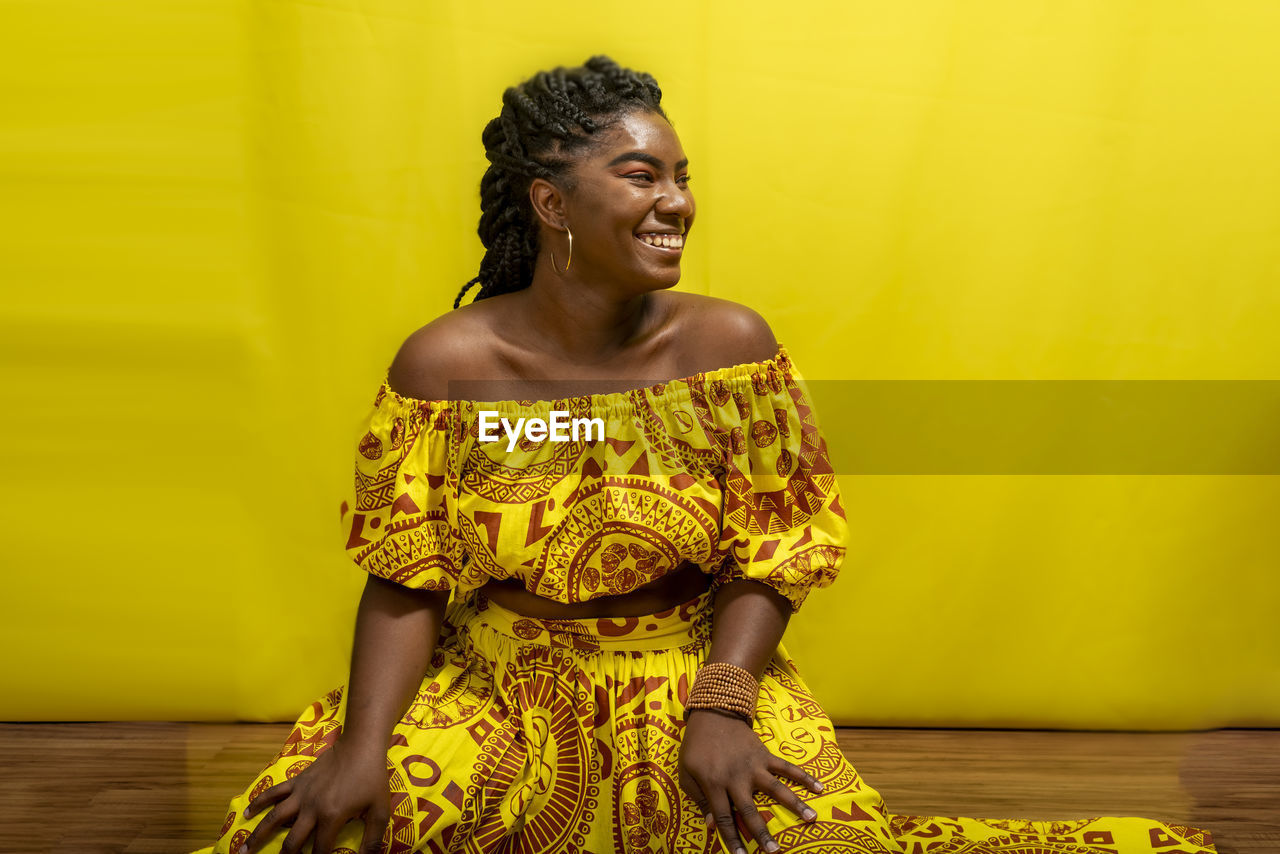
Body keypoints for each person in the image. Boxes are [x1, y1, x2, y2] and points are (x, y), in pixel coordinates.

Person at [195, 56, 1217, 854]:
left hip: (694, 675)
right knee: (315, 828)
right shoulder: (446, 363)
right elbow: (404, 576)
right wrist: (361, 747)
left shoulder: (727, 348)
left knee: (815, 837)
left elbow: (776, 548)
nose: (676, 200)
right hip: (495, 683)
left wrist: (724, 707)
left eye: (682, 177)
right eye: (640, 175)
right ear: (551, 205)